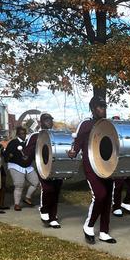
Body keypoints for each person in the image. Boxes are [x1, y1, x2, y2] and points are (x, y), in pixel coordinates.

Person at [68, 97, 116, 243]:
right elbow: (76, 144)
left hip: (107, 166)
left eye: (104, 106)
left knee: (108, 198)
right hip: (91, 166)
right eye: (100, 106)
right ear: (93, 108)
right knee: (100, 195)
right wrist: (73, 152)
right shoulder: (86, 124)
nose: (103, 109)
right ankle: (88, 226)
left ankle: (104, 231)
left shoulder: (108, 124)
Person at [24, 113, 62, 228]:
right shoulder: (35, 136)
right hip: (43, 167)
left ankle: (53, 217)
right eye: (46, 120)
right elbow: (28, 152)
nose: (49, 122)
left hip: (56, 167)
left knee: (56, 191)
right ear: (41, 122)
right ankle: (44, 210)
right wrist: (26, 158)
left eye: (50, 120)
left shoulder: (56, 135)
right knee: (47, 189)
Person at [5, 126, 39, 211]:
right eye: (21, 134)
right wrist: (10, 156)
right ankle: (17, 204)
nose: (23, 135)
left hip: (28, 166)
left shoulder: (29, 143)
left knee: (35, 182)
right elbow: (6, 154)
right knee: (19, 185)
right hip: (16, 166)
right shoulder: (13, 142)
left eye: (24, 133)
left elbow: (33, 154)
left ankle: (27, 197)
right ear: (17, 134)